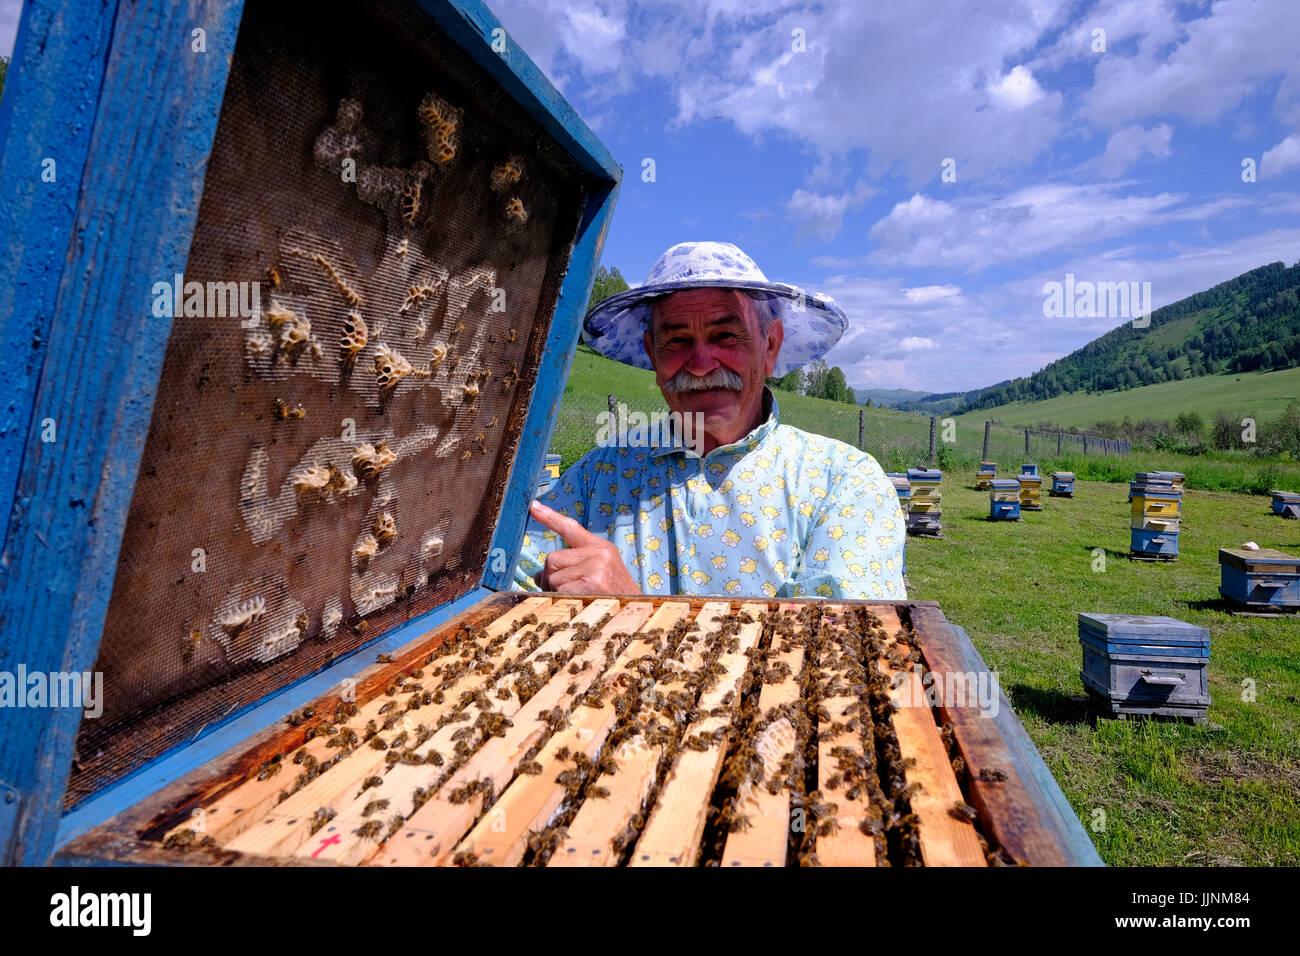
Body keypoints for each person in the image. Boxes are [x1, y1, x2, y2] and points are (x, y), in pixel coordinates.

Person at [513, 241, 906, 600]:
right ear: (652, 353)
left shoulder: (843, 481)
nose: (701, 365)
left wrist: (633, 609)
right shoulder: (597, 474)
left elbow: (836, 658)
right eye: (678, 340)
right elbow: (503, 573)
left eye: (725, 336)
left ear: (770, 346)